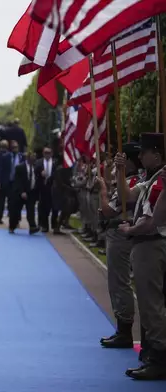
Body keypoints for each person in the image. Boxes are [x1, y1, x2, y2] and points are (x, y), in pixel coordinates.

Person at [116, 133, 166, 380]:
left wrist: (128, 230)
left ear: (156, 155)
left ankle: (158, 358)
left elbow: (150, 223)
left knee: (151, 304)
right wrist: (119, 170)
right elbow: (127, 195)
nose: (140, 156)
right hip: (147, 245)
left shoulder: (160, 181)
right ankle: (152, 353)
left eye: (144, 152)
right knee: (151, 303)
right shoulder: (152, 179)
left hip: (151, 245)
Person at [97, 142, 143, 350]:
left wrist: (103, 191)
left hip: (120, 233)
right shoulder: (139, 180)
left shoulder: (132, 181)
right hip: (129, 233)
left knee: (119, 281)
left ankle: (124, 329)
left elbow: (107, 210)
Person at [9, 152, 40, 235]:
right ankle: (12, 226)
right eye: (32, 158)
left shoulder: (36, 167)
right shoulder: (20, 167)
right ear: (28, 158)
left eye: (35, 158)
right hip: (20, 193)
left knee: (31, 210)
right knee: (16, 211)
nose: (34, 159)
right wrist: (22, 191)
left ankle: (32, 227)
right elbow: (18, 181)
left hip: (31, 192)